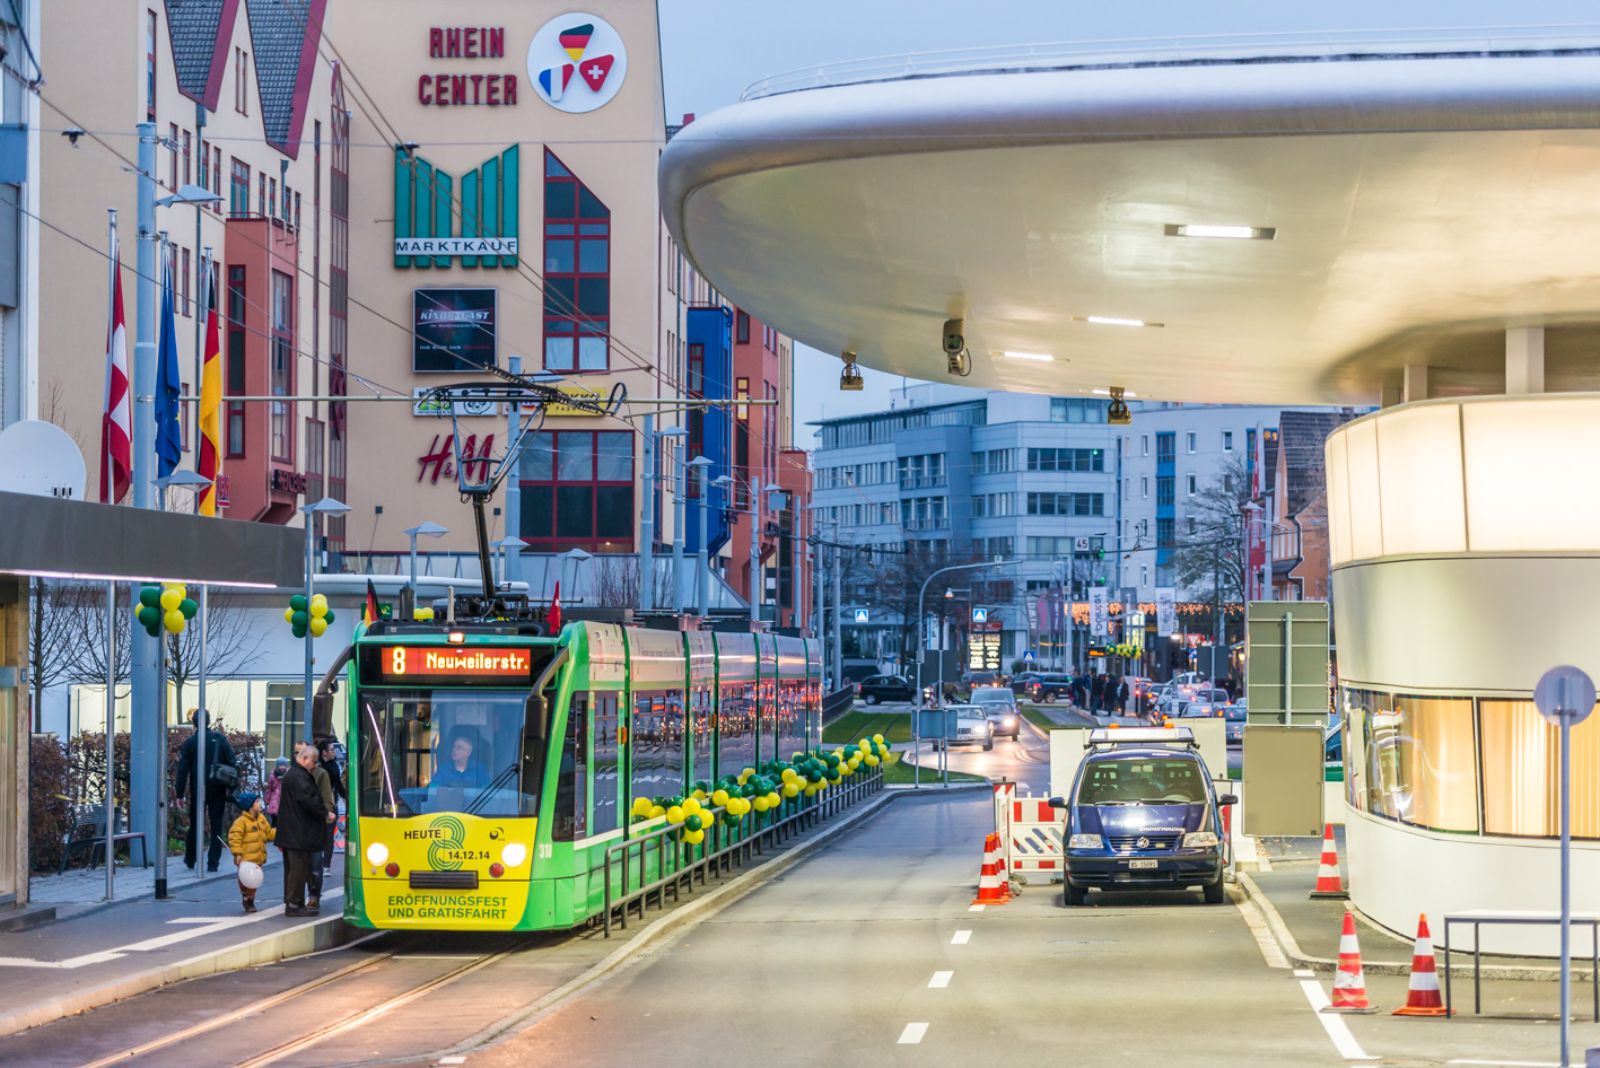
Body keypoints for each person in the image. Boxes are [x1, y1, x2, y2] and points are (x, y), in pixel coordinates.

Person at [173, 709, 237, 872]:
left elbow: (182, 770)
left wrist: (179, 794)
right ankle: (213, 862)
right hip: (218, 788)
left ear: (193, 723)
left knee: (195, 824)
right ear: (209, 721)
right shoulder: (219, 739)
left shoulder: (190, 742)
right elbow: (232, 762)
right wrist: (232, 787)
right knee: (216, 825)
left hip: (197, 789)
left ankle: (191, 858)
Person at [276, 742, 330, 916]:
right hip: (298, 833)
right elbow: (309, 799)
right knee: (298, 871)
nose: (314, 766)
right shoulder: (300, 777)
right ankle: (294, 904)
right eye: (314, 762)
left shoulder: (293, 774)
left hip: (292, 832)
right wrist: (325, 814)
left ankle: (293, 903)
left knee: (294, 870)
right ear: (305, 759)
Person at [227, 791, 275, 914]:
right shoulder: (241, 822)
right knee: (245, 881)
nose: (260, 804)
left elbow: (269, 833)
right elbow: (235, 838)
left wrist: (281, 832)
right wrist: (237, 854)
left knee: (253, 881)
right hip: (245, 859)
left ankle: (250, 899)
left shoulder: (262, 819)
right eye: (257, 801)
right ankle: (246, 898)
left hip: (258, 857)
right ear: (250, 805)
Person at [263, 757, 288, 826]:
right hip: (275, 801)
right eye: (280, 765)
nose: (282, 767)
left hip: (285, 800)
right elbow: (269, 789)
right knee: (275, 822)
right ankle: (274, 835)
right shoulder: (273, 776)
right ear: (277, 766)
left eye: (284, 765)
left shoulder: (288, 775)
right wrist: (267, 801)